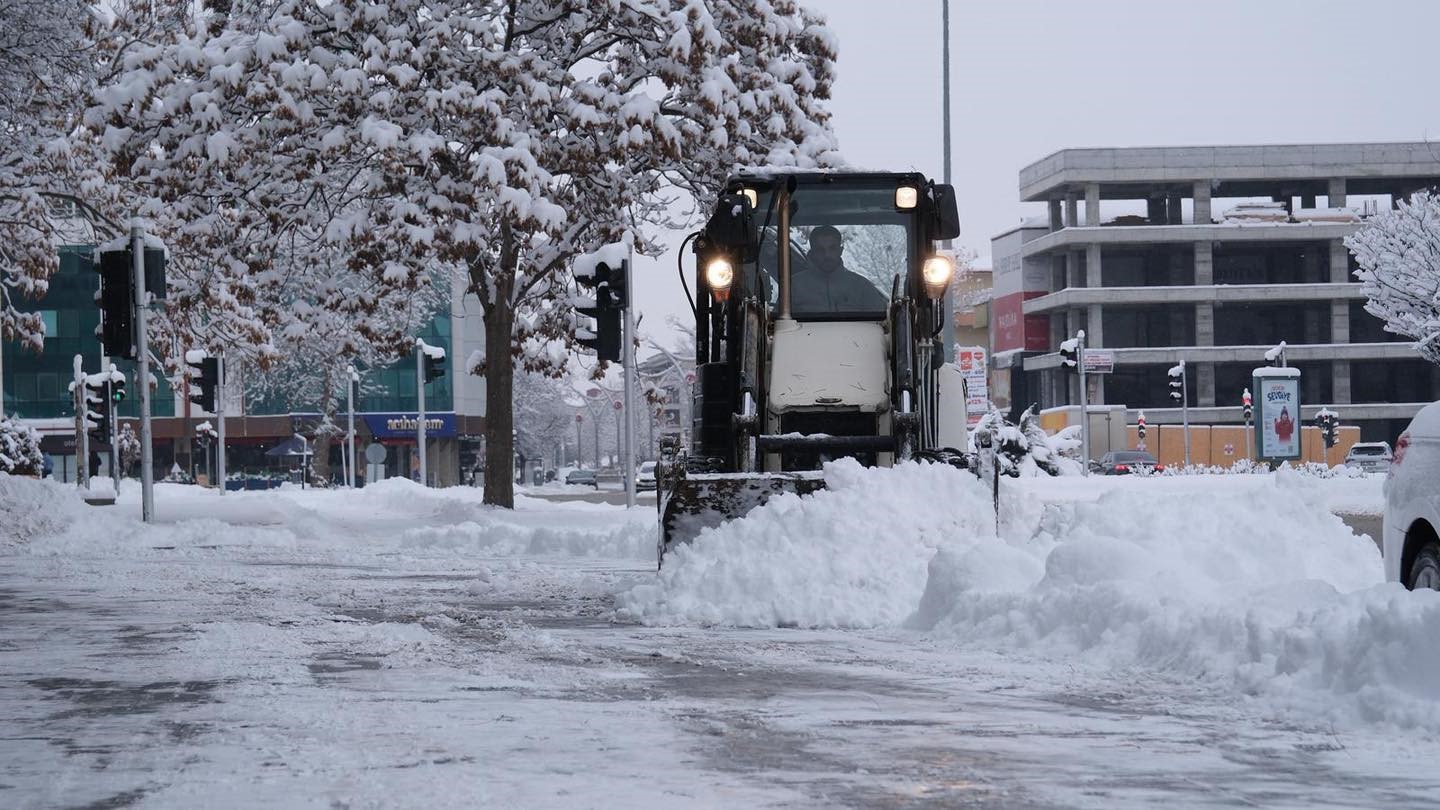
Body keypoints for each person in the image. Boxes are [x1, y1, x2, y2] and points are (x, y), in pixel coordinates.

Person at [789, 225, 889, 315]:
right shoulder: (793, 287)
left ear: (840, 250)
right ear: (812, 252)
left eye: (832, 248)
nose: (827, 255)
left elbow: (880, 326)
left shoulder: (862, 287)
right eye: (820, 250)